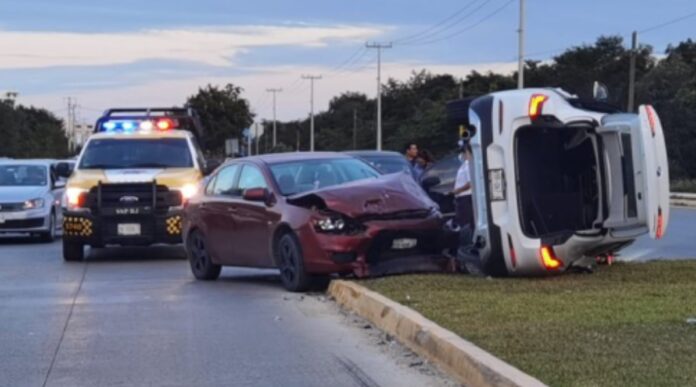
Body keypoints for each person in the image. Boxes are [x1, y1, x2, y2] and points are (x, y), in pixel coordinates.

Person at [453, 141, 473, 228]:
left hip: (466, 197)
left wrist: (458, 190)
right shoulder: (464, 164)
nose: (461, 155)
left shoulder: (468, 164)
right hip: (462, 198)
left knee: (466, 222)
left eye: (463, 152)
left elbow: (470, 183)